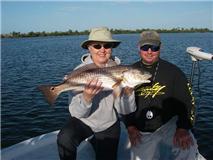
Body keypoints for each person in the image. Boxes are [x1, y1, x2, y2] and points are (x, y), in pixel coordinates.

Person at [57, 27, 137, 160]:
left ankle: (96, 142)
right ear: (89, 48)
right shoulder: (79, 72)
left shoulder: (121, 71)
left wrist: (128, 92)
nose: (102, 49)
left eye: (107, 45)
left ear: (111, 48)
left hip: (108, 123)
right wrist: (86, 98)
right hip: (84, 121)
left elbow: (126, 110)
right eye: (97, 45)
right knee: (65, 138)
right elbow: (77, 114)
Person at [123, 31, 205, 160]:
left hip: (168, 126)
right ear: (139, 48)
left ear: (160, 48)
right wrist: (130, 126)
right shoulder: (128, 71)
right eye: (145, 47)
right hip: (140, 129)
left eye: (154, 47)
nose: (149, 51)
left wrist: (183, 128)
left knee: (187, 149)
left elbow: (188, 102)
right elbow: (123, 104)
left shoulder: (174, 72)